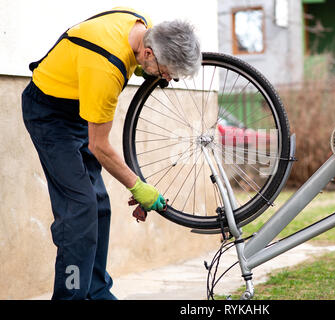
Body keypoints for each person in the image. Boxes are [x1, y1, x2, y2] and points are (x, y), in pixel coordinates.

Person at [21, 7, 201, 300]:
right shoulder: (106, 68)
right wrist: (139, 186)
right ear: (148, 54)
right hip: (49, 116)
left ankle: (95, 291)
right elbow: (99, 146)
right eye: (166, 73)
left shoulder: (143, 27)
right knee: (79, 209)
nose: (167, 80)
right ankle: (70, 296)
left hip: (77, 108)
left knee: (99, 204)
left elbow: (95, 134)